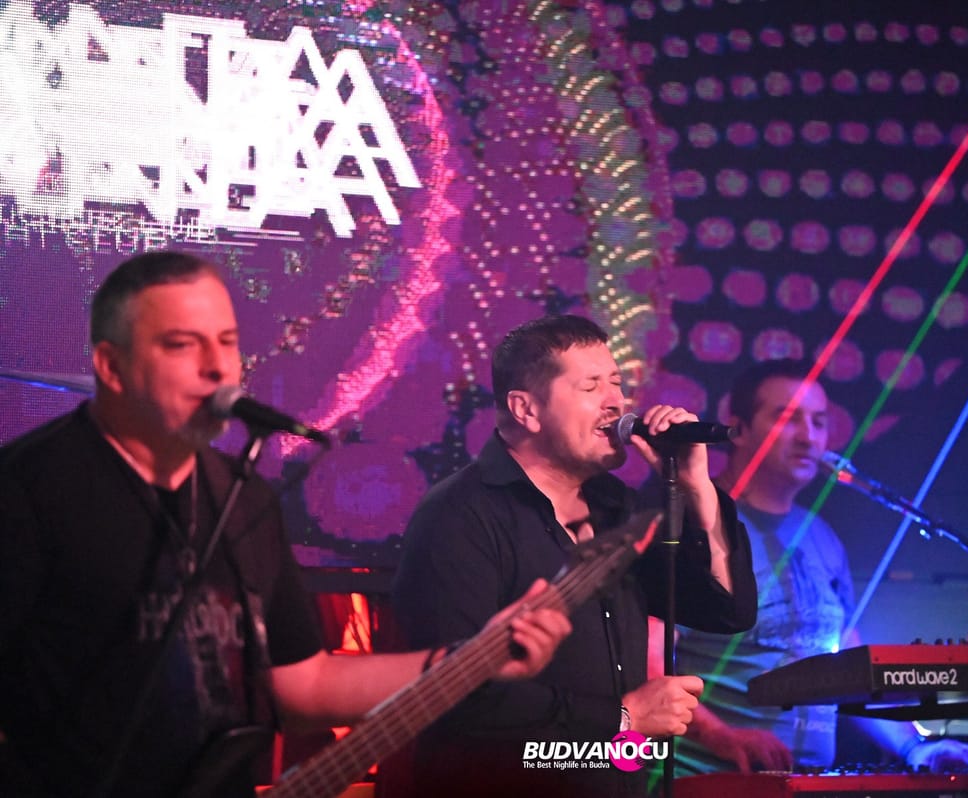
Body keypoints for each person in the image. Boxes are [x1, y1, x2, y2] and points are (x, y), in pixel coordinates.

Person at [0, 251, 572, 798]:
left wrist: (471, 660)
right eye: (182, 345)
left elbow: (303, 686)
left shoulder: (241, 493)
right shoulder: (29, 490)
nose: (218, 368)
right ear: (111, 367)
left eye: (227, 342)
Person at [388, 314, 758, 797]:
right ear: (526, 409)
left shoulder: (617, 510)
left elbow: (726, 611)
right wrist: (622, 719)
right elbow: (456, 696)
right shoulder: (459, 516)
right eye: (591, 386)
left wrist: (696, 487)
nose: (616, 402)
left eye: (617, 383)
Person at [671, 358, 968, 775]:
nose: (809, 437)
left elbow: (849, 673)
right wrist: (723, 737)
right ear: (739, 429)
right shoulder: (692, 524)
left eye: (819, 422)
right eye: (788, 418)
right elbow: (646, 664)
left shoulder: (821, 537)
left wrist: (916, 748)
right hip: (711, 780)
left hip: (809, 782)